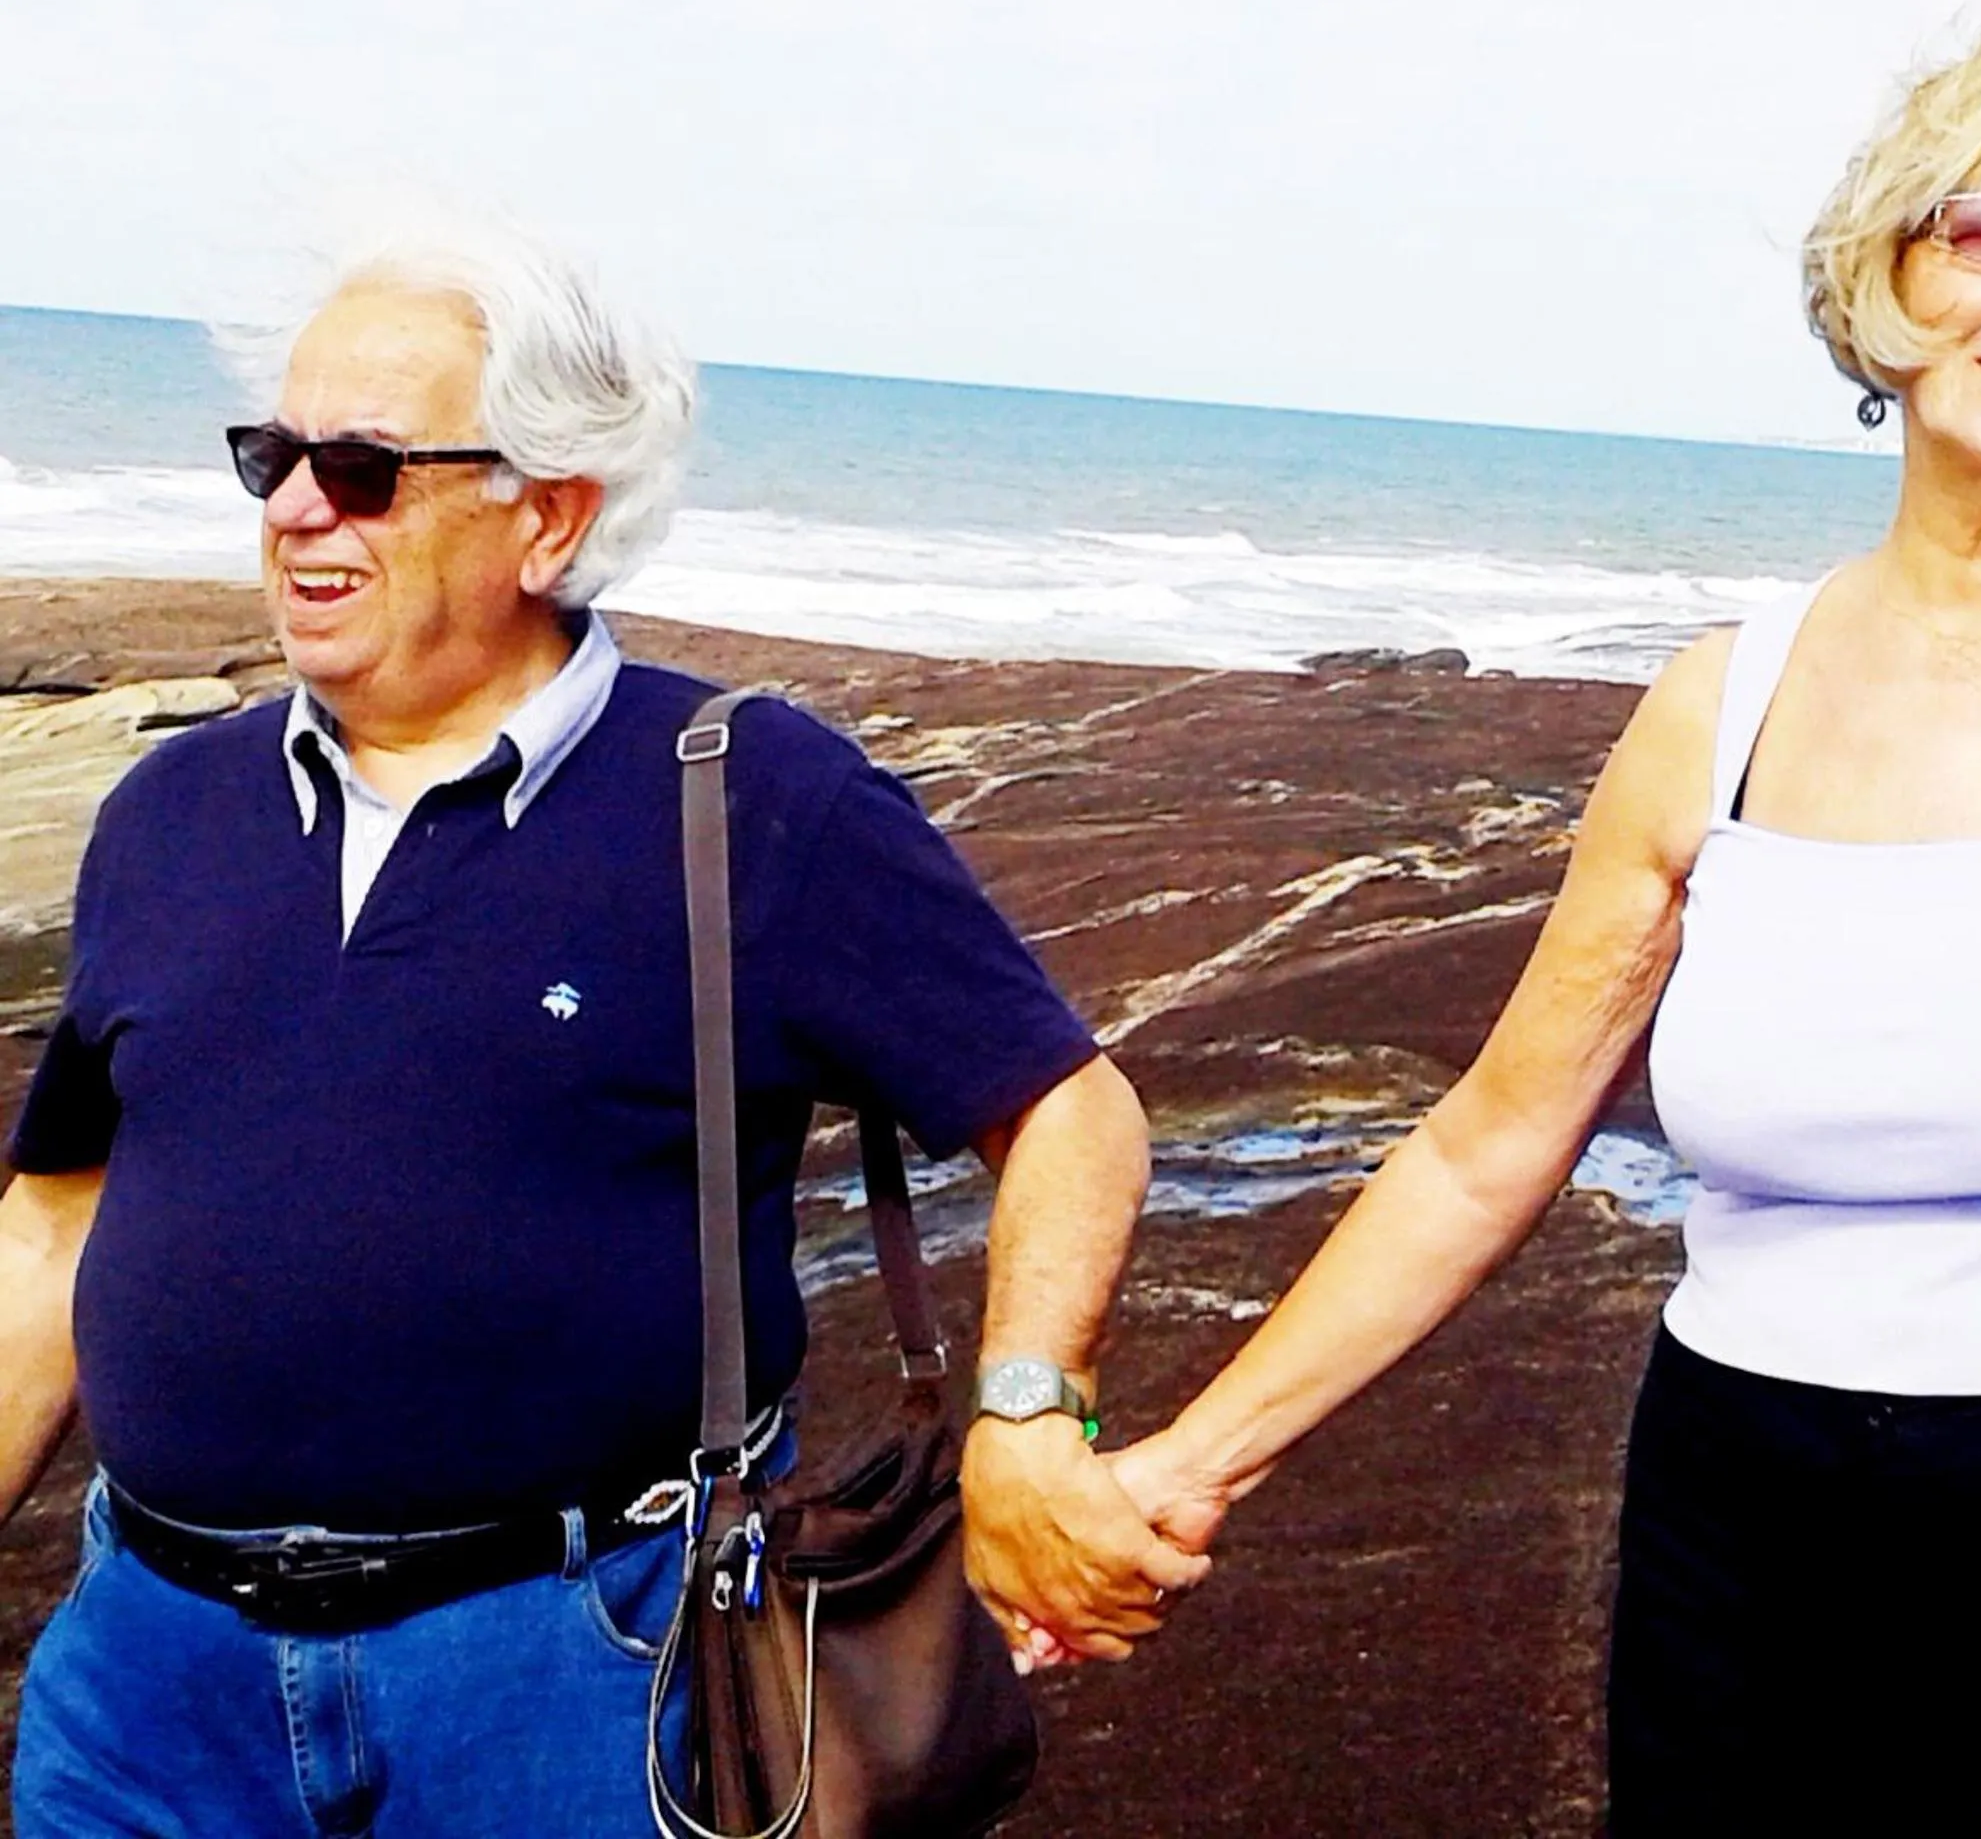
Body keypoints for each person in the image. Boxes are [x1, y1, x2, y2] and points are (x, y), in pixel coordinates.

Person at [1088, 7, 1981, 1834]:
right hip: (1744, 1503)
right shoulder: (1725, 698)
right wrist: (1192, 1461)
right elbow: (1488, 1144)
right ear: (1889, 270)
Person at [0, 218, 1204, 1834]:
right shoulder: (170, 811)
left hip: (582, 1674)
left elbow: (1067, 1112)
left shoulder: (751, 797)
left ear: (548, 516)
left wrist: (1031, 1412)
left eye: (362, 468)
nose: (293, 508)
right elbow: (55, 1229)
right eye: (272, 455)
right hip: (148, 1685)